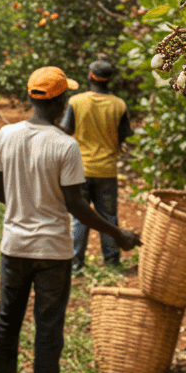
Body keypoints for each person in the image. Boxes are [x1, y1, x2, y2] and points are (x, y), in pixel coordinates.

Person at [0, 67, 140, 373]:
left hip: (15, 246)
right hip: (52, 251)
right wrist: (118, 234)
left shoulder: (6, 135)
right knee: (48, 326)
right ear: (60, 103)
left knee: (8, 320)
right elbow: (76, 205)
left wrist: (24, 205)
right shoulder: (65, 145)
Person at [61, 60, 132, 273]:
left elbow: (66, 131)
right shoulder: (119, 105)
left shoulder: (76, 101)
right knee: (108, 216)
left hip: (80, 168)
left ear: (90, 76)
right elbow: (123, 136)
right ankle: (112, 262)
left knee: (79, 217)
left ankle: (76, 264)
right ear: (109, 79)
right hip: (107, 169)